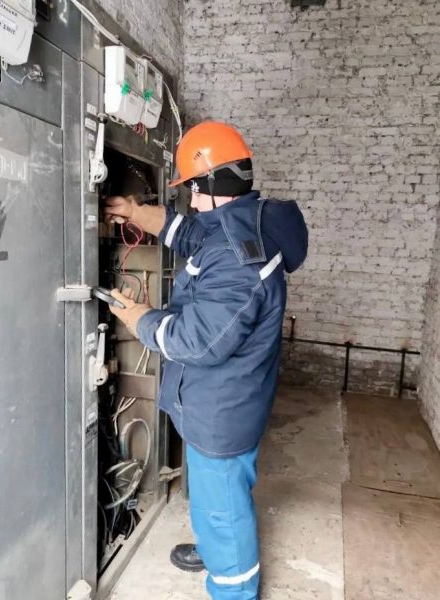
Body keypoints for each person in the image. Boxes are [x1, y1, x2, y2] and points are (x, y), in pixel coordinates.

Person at [105, 121, 308, 600]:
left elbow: (196, 342)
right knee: (215, 496)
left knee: (224, 508)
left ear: (217, 184)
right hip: (219, 400)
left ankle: (234, 585)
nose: (192, 202)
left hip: (223, 409)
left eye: (195, 190)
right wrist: (137, 212)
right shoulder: (238, 222)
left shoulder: (238, 258)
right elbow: (192, 234)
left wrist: (139, 319)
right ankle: (219, 549)